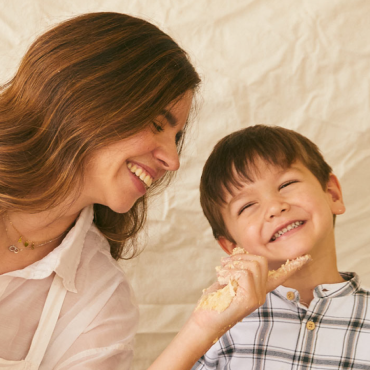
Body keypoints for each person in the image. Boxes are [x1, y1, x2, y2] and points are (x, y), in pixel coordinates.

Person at [0, 12, 308, 370]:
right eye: (156, 124)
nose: (172, 160)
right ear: (85, 100)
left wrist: (202, 327)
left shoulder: (99, 295)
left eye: (176, 138)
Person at [192, 124, 370, 369]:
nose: (275, 207)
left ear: (332, 194)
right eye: (246, 206)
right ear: (233, 246)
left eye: (286, 184)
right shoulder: (222, 326)